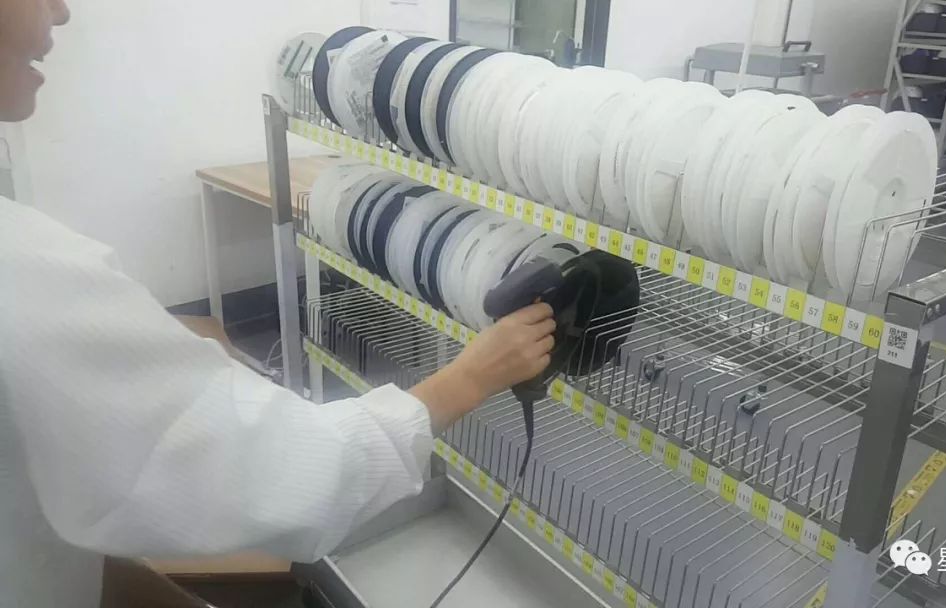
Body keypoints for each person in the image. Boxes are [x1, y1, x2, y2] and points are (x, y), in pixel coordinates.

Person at [0, 1, 557, 606]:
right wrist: (473, 375)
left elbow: (37, 529)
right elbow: (283, 471)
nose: (61, 11)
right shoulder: (23, 277)